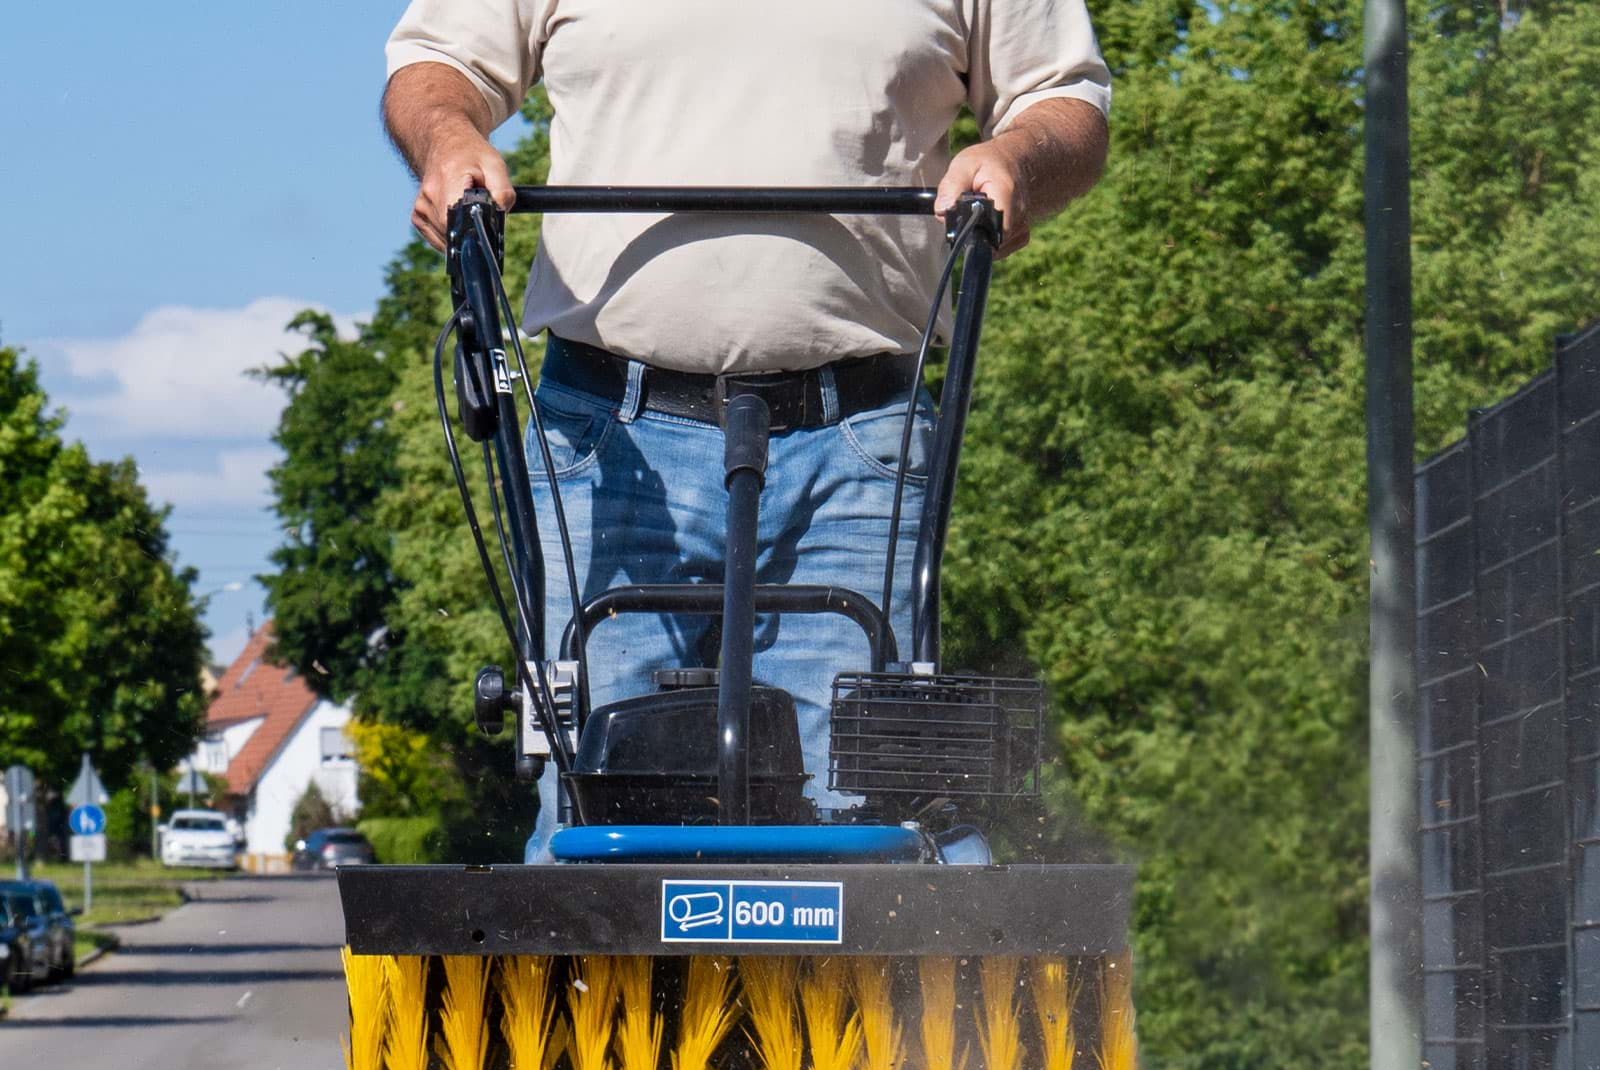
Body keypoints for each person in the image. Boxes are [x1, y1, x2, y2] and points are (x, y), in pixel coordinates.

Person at [383, 2, 1110, 855]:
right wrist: (448, 142)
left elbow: (1064, 101)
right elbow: (437, 63)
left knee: (869, 829)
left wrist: (1015, 156)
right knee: (594, 822)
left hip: (858, 445)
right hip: (612, 443)